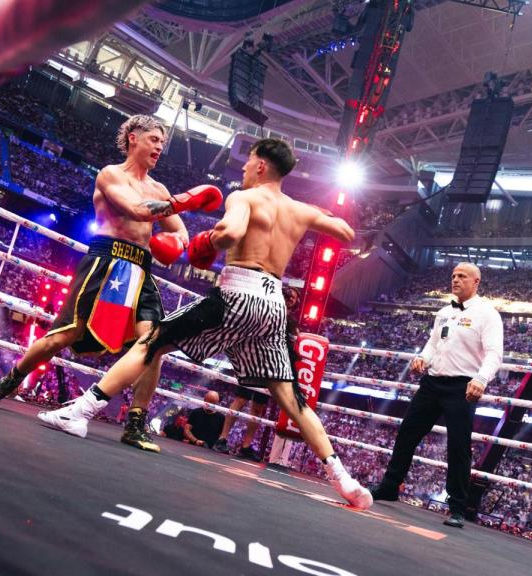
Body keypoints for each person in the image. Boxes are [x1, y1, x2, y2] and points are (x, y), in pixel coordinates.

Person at [40, 138, 372, 509]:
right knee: (289, 396)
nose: (244, 168)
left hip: (238, 294)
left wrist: (210, 240)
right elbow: (345, 232)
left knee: (152, 343)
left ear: (261, 166)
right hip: (273, 307)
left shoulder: (244, 198)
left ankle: (81, 412)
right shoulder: (298, 210)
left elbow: (230, 233)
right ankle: (342, 478)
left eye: (248, 162)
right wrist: (308, 212)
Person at [0, 114, 222, 454]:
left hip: (141, 268)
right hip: (106, 261)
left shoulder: (160, 189)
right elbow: (137, 210)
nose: (159, 147)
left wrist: (178, 242)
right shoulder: (110, 174)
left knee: (154, 343)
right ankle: (10, 380)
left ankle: (136, 422)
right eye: (154, 139)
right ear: (133, 138)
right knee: (65, 335)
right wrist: (185, 200)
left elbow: (178, 229)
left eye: (162, 143)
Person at [370, 262, 504, 528]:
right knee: (407, 431)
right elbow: (434, 343)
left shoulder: (488, 314)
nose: (455, 280)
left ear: (476, 281)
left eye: (462, 276)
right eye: (453, 275)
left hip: (462, 386)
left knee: (458, 446)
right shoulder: (443, 312)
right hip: (432, 383)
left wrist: (481, 378)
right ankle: (389, 486)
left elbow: (494, 353)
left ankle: (457, 507)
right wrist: (423, 358)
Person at [212, 286, 299, 460]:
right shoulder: (268, 309)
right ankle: (222, 439)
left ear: (296, 302)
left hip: (271, 367)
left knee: (258, 408)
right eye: (287, 294)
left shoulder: (292, 322)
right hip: (254, 360)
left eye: (293, 297)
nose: (290, 298)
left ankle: (246, 446)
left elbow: (295, 341)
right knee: (240, 400)